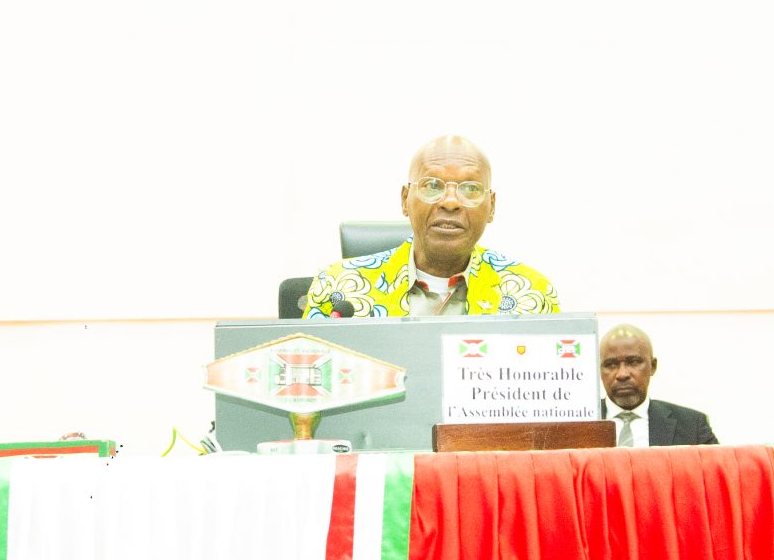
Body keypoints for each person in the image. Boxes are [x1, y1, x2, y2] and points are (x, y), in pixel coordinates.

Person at [300, 135, 559, 318]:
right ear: (405, 200)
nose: (450, 202)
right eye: (432, 186)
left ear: (491, 207)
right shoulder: (339, 288)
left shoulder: (530, 294)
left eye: (470, 188)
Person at [598, 322, 718, 447]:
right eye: (611, 364)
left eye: (633, 362)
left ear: (653, 366)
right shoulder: (584, 422)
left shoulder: (692, 426)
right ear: (598, 370)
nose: (622, 374)